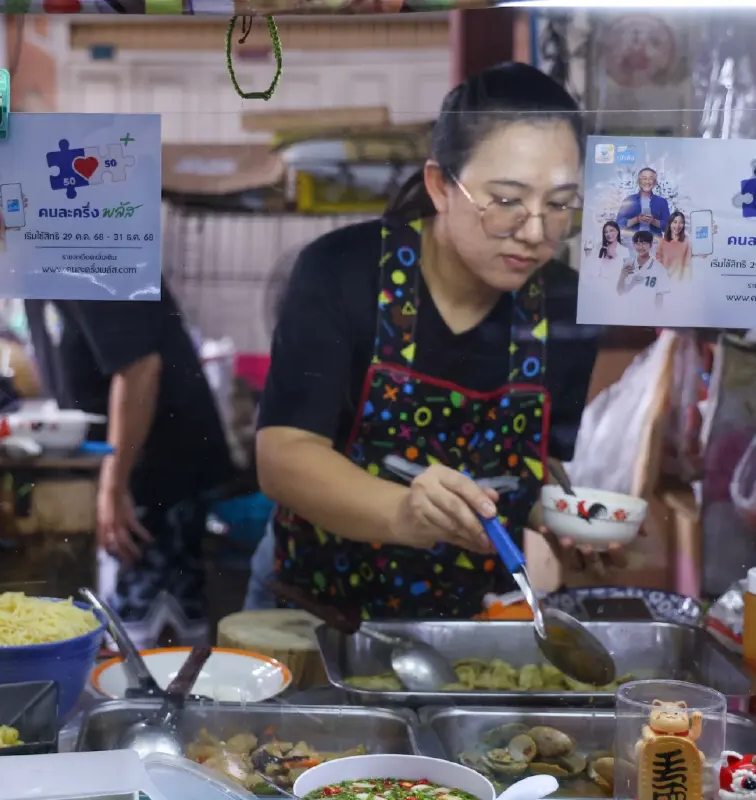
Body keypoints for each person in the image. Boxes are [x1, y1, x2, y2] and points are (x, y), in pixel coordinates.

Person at [255, 64, 615, 621]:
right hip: (320, 616)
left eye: (560, 204)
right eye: (506, 200)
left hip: (469, 623)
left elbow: (533, 466)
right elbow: (283, 455)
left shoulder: (564, 307)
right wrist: (406, 514)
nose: (537, 232)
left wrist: (567, 521)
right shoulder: (343, 273)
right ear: (440, 185)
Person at [53, 285, 236, 646]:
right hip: (141, 462)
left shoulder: (88, 243)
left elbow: (140, 367)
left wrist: (114, 486)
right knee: (140, 632)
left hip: (159, 468)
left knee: (147, 641)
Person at [617, 230, 671, 309]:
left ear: (651, 245)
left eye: (644, 243)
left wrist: (658, 317)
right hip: (629, 311)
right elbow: (620, 292)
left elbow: (660, 299)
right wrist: (622, 277)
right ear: (633, 245)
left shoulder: (659, 269)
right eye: (637, 244)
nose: (640, 247)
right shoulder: (627, 264)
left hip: (649, 314)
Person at [616, 167, 670, 238]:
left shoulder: (662, 202)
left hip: (655, 243)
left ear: (655, 182)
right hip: (632, 243)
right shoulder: (628, 200)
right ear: (638, 181)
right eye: (644, 178)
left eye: (651, 178)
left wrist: (653, 221)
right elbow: (618, 224)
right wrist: (637, 219)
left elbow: (668, 227)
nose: (647, 182)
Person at [656, 211, 691, 280]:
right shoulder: (662, 242)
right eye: (675, 222)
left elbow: (690, 262)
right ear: (670, 224)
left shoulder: (687, 241)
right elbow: (658, 264)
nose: (677, 226)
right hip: (666, 281)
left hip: (683, 281)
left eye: (681, 222)